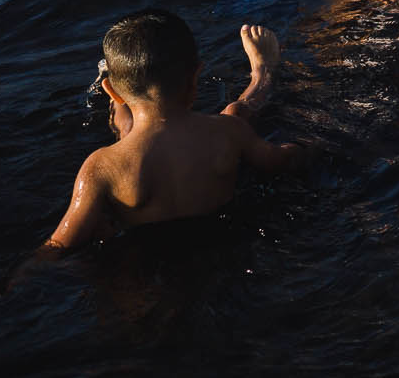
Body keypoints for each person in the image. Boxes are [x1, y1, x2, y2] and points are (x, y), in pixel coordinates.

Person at [44, 13, 304, 248]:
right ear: (195, 78)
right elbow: (279, 160)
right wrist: (306, 147)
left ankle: (119, 101)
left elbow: (59, 245)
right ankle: (263, 73)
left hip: (143, 271)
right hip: (222, 248)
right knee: (235, 111)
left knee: (128, 133)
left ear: (110, 90)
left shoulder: (101, 167)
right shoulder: (228, 132)